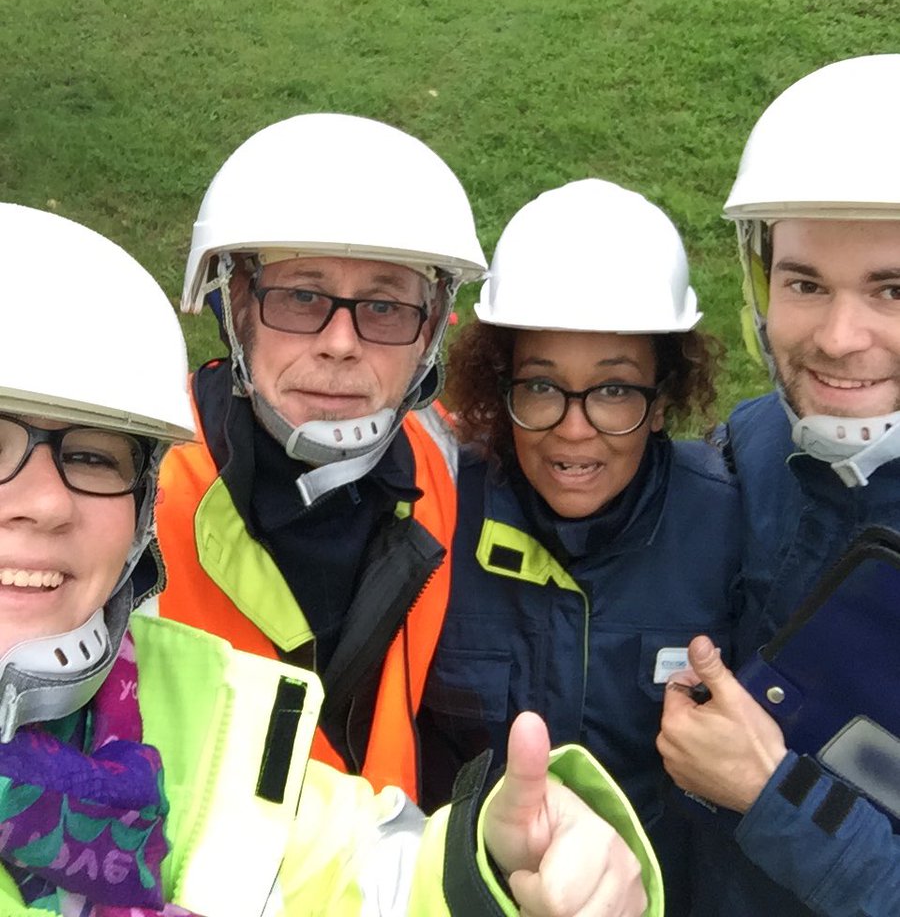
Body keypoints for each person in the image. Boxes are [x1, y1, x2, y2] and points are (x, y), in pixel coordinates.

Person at [0, 200, 663, 916]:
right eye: (301, 296)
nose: (47, 503)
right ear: (235, 303)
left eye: (92, 457)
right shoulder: (184, 622)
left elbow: (354, 871)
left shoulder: (193, 714)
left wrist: (492, 867)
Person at [418, 179, 741, 911]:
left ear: (662, 400)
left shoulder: (727, 529)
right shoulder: (437, 517)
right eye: (541, 387)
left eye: (614, 391)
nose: (573, 428)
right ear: (500, 388)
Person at [148, 113, 487, 801]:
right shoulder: (127, 492)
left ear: (430, 331)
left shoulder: (438, 466)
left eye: (384, 307)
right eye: (302, 297)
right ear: (234, 303)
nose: (340, 343)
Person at [658, 54, 900, 916]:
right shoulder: (748, 442)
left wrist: (773, 797)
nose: (839, 337)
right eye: (805, 283)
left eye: (892, 289)